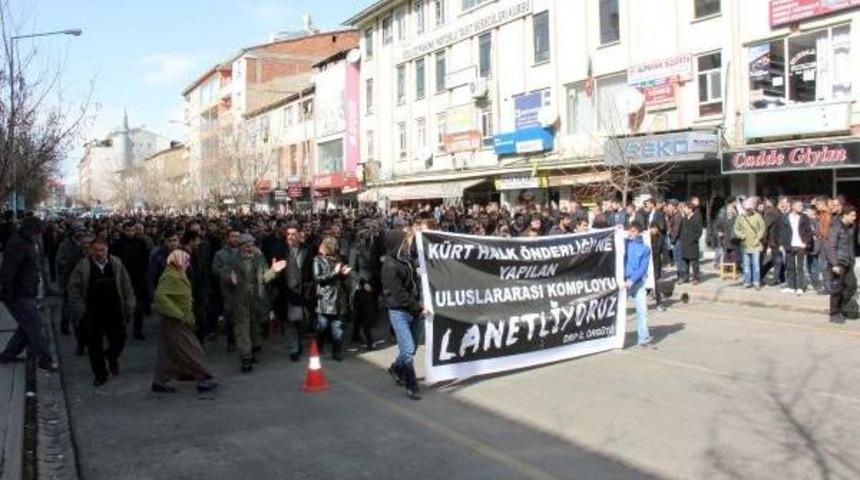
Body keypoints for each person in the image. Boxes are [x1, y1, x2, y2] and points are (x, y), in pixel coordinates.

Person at [67, 239, 136, 386]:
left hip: (114, 311)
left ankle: (111, 356)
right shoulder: (83, 267)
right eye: (96, 250)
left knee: (119, 339)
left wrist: (129, 305)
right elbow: (74, 290)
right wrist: (81, 311)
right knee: (94, 346)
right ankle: (100, 374)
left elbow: (126, 285)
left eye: (102, 250)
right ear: (91, 251)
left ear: (107, 250)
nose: (99, 253)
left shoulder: (116, 264)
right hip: (93, 313)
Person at [151, 249, 218, 394]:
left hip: (175, 320)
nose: (188, 263)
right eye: (186, 260)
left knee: (168, 352)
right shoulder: (170, 276)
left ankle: (159, 381)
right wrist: (177, 313)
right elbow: (160, 297)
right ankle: (204, 377)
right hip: (175, 321)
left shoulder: (177, 273)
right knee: (191, 349)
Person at [0, 216, 58, 372]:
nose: (39, 236)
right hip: (19, 294)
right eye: (38, 233)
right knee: (35, 326)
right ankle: (45, 359)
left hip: (26, 291)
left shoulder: (27, 241)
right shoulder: (18, 244)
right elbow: (7, 271)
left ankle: (8, 354)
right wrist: (7, 293)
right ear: (30, 231)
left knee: (27, 326)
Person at [220, 234, 275, 372]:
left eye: (251, 245)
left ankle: (254, 350)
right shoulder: (232, 259)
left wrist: (274, 271)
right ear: (240, 247)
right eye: (246, 246)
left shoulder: (259, 258)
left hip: (256, 299)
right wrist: (229, 278)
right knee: (242, 328)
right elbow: (223, 275)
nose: (250, 248)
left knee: (255, 327)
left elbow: (265, 277)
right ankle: (246, 358)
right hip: (239, 299)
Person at [381, 228, 423, 400]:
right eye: (404, 241)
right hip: (399, 312)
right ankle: (411, 385)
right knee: (408, 350)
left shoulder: (406, 259)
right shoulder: (389, 266)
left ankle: (396, 368)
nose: (407, 244)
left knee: (412, 347)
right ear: (396, 243)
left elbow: (414, 281)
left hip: (414, 310)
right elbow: (399, 294)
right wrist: (418, 307)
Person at [313, 236, 351, 361]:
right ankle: (318, 347)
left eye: (324, 245)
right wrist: (335, 273)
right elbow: (318, 278)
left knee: (338, 328)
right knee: (322, 327)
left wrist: (344, 274)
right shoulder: (318, 260)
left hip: (339, 298)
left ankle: (337, 352)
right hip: (325, 298)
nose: (321, 247)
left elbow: (341, 278)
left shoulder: (338, 259)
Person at [111, 221, 150, 340]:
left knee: (139, 307)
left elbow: (146, 260)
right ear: (123, 230)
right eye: (128, 230)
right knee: (121, 306)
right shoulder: (117, 244)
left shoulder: (141, 242)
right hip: (122, 278)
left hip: (138, 279)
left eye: (132, 230)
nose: (130, 233)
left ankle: (137, 331)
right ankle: (120, 330)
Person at [824, 206, 857, 324]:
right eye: (852, 215)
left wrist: (852, 259)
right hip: (838, 262)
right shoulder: (836, 227)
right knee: (837, 289)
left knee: (851, 285)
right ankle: (834, 313)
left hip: (848, 261)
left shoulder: (851, 227)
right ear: (845, 215)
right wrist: (834, 264)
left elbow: (850, 245)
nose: (854, 218)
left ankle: (842, 308)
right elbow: (830, 246)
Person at [348, 229, 379, 351]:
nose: (372, 238)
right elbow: (352, 270)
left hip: (372, 283)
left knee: (360, 313)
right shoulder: (355, 250)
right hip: (360, 285)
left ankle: (355, 334)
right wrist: (362, 282)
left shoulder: (372, 248)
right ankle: (370, 341)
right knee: (367, 313)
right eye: (369, 236)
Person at [212, 229, 241, 352]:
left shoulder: (244, 251)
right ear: (228, 238)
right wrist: (227, 276)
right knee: (230, 314)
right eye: (233, 236)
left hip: (242, 287)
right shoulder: (220, 254)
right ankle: (231, 340)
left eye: (237, 236)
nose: (235, 239)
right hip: (228, 289)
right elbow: (215, 270)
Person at [624, 222, 652, 346]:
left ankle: (643, 337)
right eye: (629, 231)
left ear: (639, 233)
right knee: (618, 310)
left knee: (642, 311)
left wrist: (633, 280)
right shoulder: (624, 244)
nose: (631, 233)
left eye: (634, 231)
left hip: (638, 283)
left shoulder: (645, 248)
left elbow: (643, 268)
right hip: (624, 282)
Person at [780, 200, 812, 295]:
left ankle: (800, 287)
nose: (801, 207)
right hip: (789, 244)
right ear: (793, 206)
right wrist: (781, 244)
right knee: (790, 266)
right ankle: (791, 286)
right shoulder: (785, 217)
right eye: (799, 205)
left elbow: (809, 231)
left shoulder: (804, 217)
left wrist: (806, 242)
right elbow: (782, 232)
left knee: (800, 267)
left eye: (802, 206)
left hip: (800, 244)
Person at [734, 198, 767, 290]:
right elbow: (736, 228)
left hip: (756, 245)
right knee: (746, 265)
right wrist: (741, 235)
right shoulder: (740, 217)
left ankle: (756, 282)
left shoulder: (757, 216)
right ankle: (747, 282)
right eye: (747, 209)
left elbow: (762, 228)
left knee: (756, 265)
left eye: (751, 208)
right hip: (745, 244)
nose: (749, 210)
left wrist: (758, 238)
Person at [678, 203, 703, 284]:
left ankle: (696, 278)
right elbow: (681, 230)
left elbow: (699, 231)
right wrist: (682, 238)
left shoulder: (696, 218)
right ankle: (686, 277)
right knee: (685, 262)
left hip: (693, 243)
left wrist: (694, 239)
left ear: (690, 209)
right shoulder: (684, 219)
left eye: (685, 208)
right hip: (684, 243)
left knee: (695, 262)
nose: (684, 210)